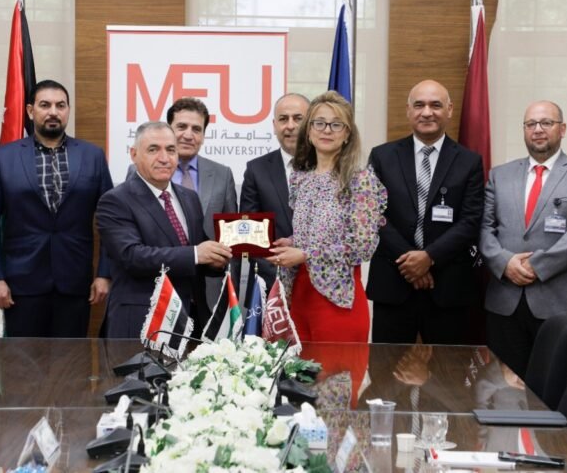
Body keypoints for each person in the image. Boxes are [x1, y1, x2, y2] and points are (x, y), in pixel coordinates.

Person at [479, 100, 567, 375]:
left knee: (560, 389)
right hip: (506, 302)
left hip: (562, 304)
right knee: (505, 390)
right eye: (531, 124)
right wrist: (505, 263)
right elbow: (484, 228)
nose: (537, 129)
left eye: (546, 123)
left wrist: (536, 266)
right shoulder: (499, 175)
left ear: (562, 129)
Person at [0, 80, 114, 338]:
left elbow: (110, 221)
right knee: (23, 360)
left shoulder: (92, 156)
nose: (53, 112)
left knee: (71, 360)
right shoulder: (3, 157)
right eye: (45, 105)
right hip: (21, 284)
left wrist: (105, 274)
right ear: (30, 111)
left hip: (75, 283)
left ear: (68, 110)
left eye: (60, 105)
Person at [367, 80, 484, 344]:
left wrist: (429, 257)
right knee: (387, 368)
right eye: (419, 105)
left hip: (447, 287)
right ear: (408, 110)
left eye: (435, 105)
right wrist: (411, 262)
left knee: (448, 369)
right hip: (393, 283)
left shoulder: (469, 161)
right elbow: (373, 215)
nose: (427, 112)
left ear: (449, 110)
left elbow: (471, 220)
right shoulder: (382, 156)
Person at [269, 90, 387, 342]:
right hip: (297, 296)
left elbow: (362, 247)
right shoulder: (301, 178)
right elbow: (314, 233)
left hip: (337, 301)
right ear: (309, 131)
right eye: (319, 123)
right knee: (296, 368)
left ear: (347, 134)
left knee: (336, 369)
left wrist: (305, 254)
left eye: (336, 124)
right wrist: (291, 242)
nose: (327, 130)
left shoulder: (360, 180)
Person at [97, 121, 232, 338]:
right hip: (143, 321)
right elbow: (132, 256)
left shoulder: (189, 197)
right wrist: (197, 254)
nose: (164, 158)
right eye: (153, 150)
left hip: (192, 319)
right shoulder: (115, 200)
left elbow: (198, 250)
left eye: (170, 150)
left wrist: (216, 260)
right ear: (134, 154)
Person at [129, 98, 237, 327]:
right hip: (153, 290)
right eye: (181, 127)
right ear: (168, 130)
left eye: (196, 129)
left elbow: (229, 237)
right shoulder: (139, 171)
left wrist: (226, 274)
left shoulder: (222, 174)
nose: (188, 135)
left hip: (204, 294)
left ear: (204, 135)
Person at [240, 93, 310, 287]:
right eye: (283, 119)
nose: (290, 125)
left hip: (318, 281)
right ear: (274, 125)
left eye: (298, 118)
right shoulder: (256, 169)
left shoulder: (328, 168)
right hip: (272, 283)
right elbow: (250, 234)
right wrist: (278, 270)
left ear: (310, 123)